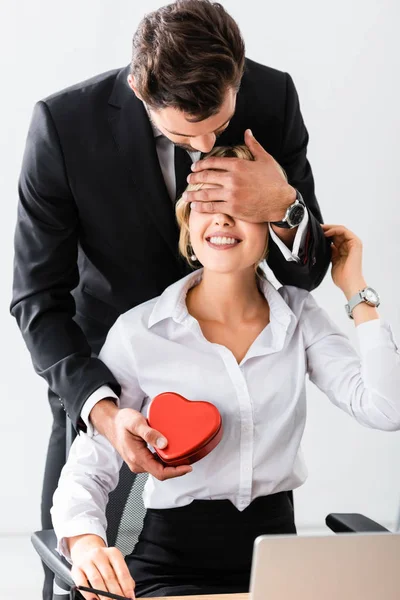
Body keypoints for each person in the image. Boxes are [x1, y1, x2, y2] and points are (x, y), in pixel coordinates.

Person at [11, 1, 330, 598]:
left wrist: (282, 204)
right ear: (139, 89)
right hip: (112, 383)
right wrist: (102, 411)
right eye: (185, 133)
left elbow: (307, 277)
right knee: (84, 576)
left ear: (238, 76)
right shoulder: (63, 125)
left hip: (234, 392)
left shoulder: (273, 97)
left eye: (219, 122)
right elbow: (36, 299)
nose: (208, 142)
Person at [51, 144, 400, 600]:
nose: (221, 218)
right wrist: (86, 543)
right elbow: (91, 464)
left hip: (277, 564)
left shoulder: (300, 316)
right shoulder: (139, 332)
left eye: (239, 205)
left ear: (269, 221)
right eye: (207, 205)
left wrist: (356, 290)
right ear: (188, 225)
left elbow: (386, 408)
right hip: (167, 567)